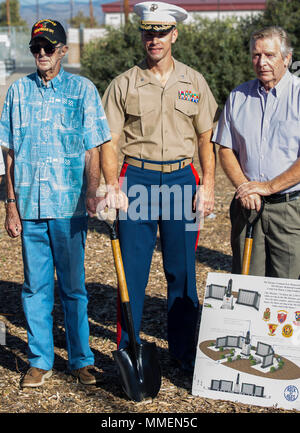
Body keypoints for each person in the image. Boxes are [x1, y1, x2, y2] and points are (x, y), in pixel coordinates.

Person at [101, 1, 218, 375]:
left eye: (161, 32)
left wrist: (209, 185)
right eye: (148, 32)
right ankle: (128, 351)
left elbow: (206, 139)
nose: (155, 39)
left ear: (175, 35)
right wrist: (109, 186)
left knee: (182, 272)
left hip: (183, 181)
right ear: (142, 35)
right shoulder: (123, 83)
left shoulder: (194, 81)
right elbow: (109, 142)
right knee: (131, 272)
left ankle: (184, 354)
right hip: (136, 180)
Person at [0, 19, 112, 387]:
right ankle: (40, 360)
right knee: (34, 288)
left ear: (63, 50)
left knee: (74, 287)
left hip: (69, 207)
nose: (42, 54)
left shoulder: (82, 90)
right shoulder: (17, 93)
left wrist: (93, 193)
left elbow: (95, 147)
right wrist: (10, 205)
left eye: (49, 48)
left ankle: (81, 359)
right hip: (29, 206)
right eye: (36, 48)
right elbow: (10, 155)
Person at [214, 26, 300, 278]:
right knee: (246, 284)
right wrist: (245, 187)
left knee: (287, 289)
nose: (261, 62)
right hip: (247, 206)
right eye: (256, 55)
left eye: (270, 55)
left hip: (289, 209)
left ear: (287, 58)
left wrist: (268, 187)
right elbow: (225, 148)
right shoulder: (238, 96)